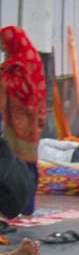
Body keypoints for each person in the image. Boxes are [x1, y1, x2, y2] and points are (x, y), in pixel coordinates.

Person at [0, 26, 47, 216]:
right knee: (13, 161)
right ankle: (16, 205)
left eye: (3, 42)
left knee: (24, 163)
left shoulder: (24, 62)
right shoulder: (16, 61)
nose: (2, 47)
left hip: (27, 120)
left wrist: (4, 78)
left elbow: (26, 90)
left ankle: (25, 206)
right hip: (16, 119)